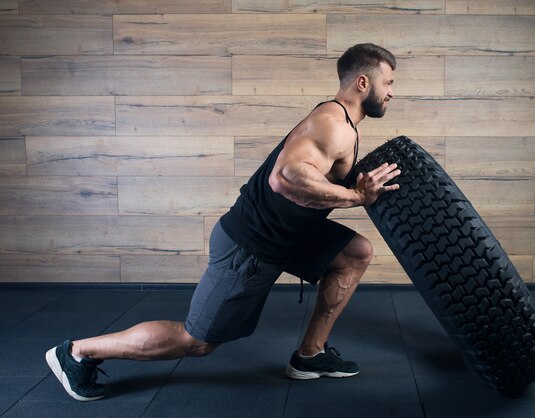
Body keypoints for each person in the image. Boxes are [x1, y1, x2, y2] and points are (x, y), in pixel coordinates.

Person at [45, 43, 400, 402]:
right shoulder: (333, 125)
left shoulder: (343, 124)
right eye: (387, 82)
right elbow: (285, 177)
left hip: (288, 234)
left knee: (354, 253)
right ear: (362, 83)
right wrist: (357, 196)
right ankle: (77, 352)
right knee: (196, 341)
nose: (391, 92)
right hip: (250, 246)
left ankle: (310, 354)